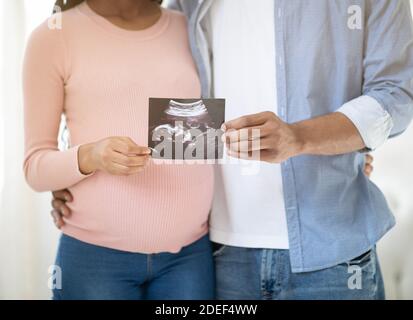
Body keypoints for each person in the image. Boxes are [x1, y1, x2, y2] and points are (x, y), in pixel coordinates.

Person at [51, 0, 413, 300]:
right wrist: (77, 170)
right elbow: (138, 91)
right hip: (214, 255)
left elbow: (396, 96)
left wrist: (303, 137)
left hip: (331, 255)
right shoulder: (183, 7)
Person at [23, 0, 215, 300]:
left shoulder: (187, 27)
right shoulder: (53, 36)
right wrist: (91, 156)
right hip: (96, 260)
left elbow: (197, 139)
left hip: (189, 256)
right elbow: (34, 167)